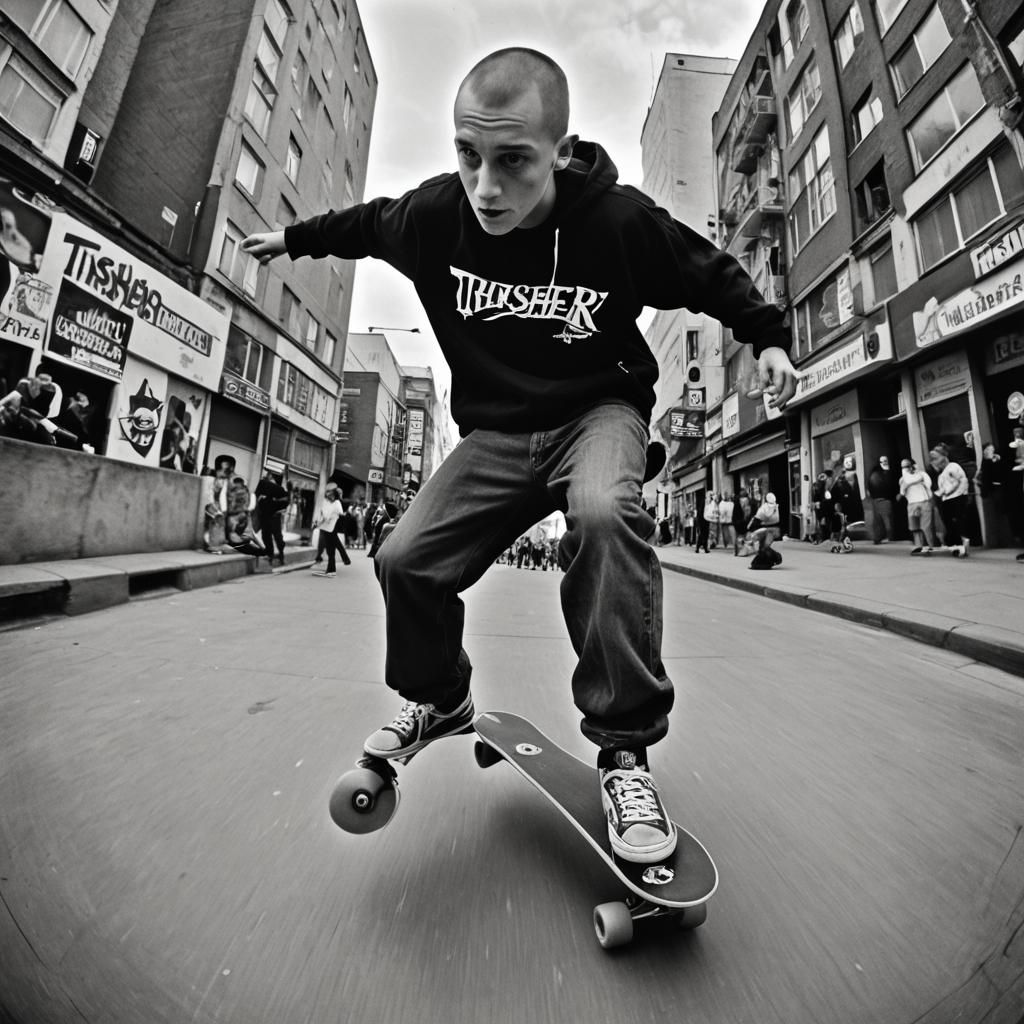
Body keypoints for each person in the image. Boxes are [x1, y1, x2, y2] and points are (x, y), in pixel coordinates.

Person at [240, 46, 798, 864]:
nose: (486, 187)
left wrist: (772, 338)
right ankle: (440, 698)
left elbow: (709, 273)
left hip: (597, 412)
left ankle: (623, 750)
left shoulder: (618, 223)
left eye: (513, 162)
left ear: (560, 153)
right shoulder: (434, 217)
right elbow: (363, 223)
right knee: (404, 559)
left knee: (606, 514)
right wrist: (293, 237)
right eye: (468, 156)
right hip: (498, 432)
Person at [930, 444, 970, 557]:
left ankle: (960, 544)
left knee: (955, 522)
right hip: (950, 498)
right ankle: (957, 544)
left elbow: (957, 482)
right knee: (951, 523)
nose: (934, 462)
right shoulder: (944, 472)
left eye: (936, 459)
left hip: (955, 498)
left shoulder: (952, 468)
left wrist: (945, 492)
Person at [899, 457, 935, 554]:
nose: (905, 469)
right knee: (915, 527)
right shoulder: (902, 479)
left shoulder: (922, 474)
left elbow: (928, 484)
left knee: (926, 526)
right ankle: (919, 546)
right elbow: (902, 492)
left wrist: (912, 482)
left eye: (907, 466)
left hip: (924, 502)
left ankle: (930, 545)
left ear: (912, 466)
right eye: (903, 467)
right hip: (911, 503)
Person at [255, 471, 289, 566]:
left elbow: (285, 501)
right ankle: (271, 555)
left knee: (276, 537)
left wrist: (278, 507)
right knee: (266, 536)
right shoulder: (261, 487)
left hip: (273, 516)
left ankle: (280, 555)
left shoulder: (279, 490)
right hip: (265, 516)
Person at [313, 484, 348, 577]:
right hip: (329, 528)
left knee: (330, 550)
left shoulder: (335, 504)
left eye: (331, 494)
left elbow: (327, 516)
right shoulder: (332, 503)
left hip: (330, 528)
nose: (329, 495)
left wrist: (318, 522)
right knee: (330, 550)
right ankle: (331, 569)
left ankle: (331, 570)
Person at [867, 455, 898, 543]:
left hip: (879, 499)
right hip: (884, 499)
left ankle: (881, 537)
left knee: (881, 520)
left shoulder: (876, 473)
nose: (884, 463)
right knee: (886, 520)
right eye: (882, 461)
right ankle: (888, 537)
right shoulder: (882, 474)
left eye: (885, 461)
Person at [732, 489, 753, 556]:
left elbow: (734, 515)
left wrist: (736, 522)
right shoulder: (748, 502)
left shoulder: (737, 503)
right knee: (743, 538)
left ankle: (739, 551)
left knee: (740, 538)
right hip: (744, 523)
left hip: (741, 523)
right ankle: (742, 551)